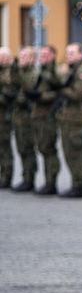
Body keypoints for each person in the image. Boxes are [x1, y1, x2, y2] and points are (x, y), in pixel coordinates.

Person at [56, 43, 82, 198]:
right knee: (68, 152)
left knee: (75, 153)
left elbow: (78, 94)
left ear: (80, 55)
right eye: (68, 53)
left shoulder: (81, 73)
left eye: (72, 53)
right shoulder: (70, 71)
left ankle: (78, 186)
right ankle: (75, 183)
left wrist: (60, 87)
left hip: (75, 118)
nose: (69, 55)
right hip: (66, 117)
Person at [28, 46, 61, 195]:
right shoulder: (41, 71)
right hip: (38, 115)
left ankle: (51, 182)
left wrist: (41, 96)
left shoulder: (55, 73)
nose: (42, 57)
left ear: (53, 56)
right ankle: (47, 181)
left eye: (46, 55)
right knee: (42, 148)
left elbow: (57, 93)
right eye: (41, 54)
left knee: (48, 149)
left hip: (48, 116)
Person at [11, 47, 39, 191]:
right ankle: (25, 177)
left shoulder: (33, 73)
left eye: (25, 57)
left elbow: (28, 89)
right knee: (21, 148)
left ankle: (29, 178)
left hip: (28, 116)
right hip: (19, 116)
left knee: (28, 148)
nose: (21, 59)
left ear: (32, 59)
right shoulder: (20, 73)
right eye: (20, 56)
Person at [0, 47, 14, 188]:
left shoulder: (10, 73)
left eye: (3, 57)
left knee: (5, 147)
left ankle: (6, 176)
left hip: (5, 115)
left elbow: (8, 94)